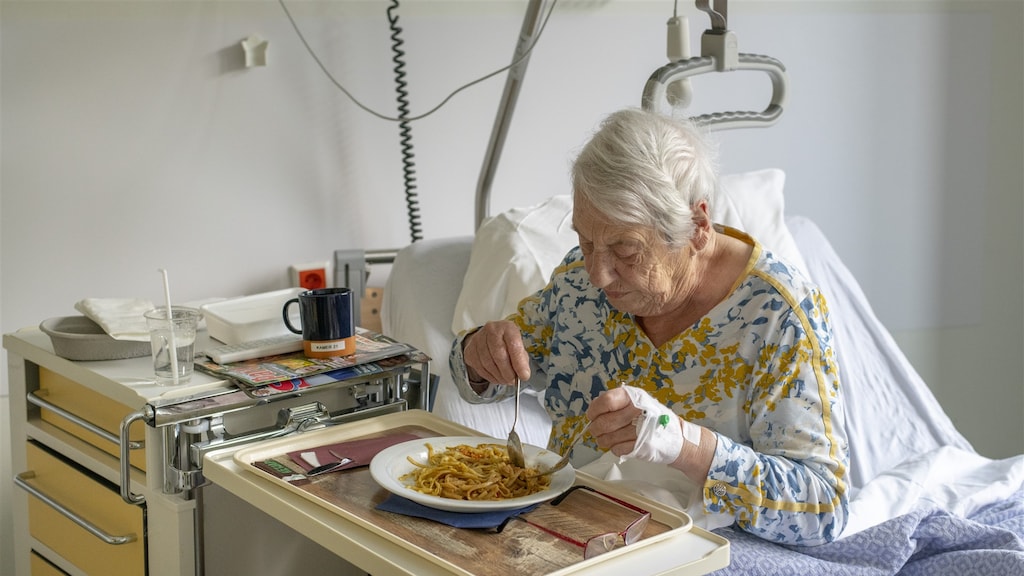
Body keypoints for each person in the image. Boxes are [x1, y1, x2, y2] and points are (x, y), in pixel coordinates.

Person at [449, 108, 849, 546]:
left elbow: (823, 508)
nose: (598, 275)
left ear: (697, 227)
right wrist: (478, 353)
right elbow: (485, 378)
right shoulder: (578, 285)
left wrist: (686, 446)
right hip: (565, 532)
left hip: (706, 553)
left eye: (626, 250)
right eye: (585, 242)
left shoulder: (778, 316)